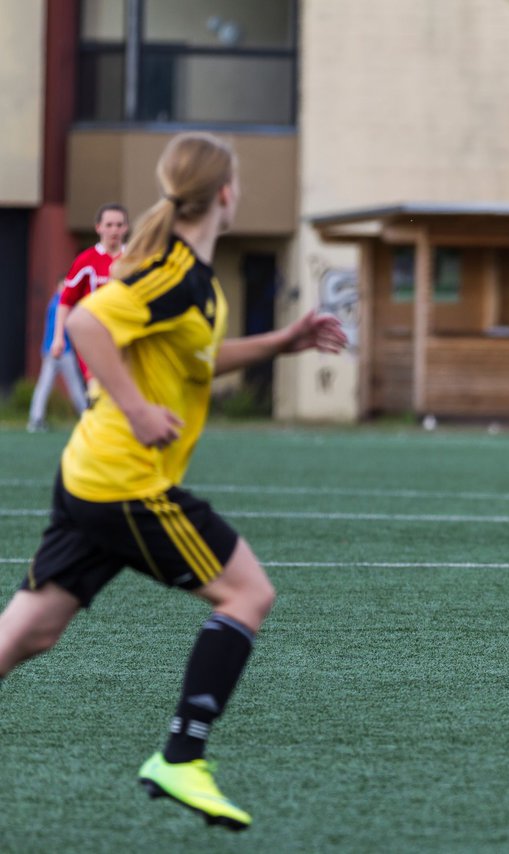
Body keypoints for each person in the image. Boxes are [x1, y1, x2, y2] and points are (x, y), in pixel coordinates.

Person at [0, 132, 347, 831]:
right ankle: (181, 757)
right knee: (249, 591)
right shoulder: (172, 272)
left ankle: (181, 757)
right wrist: (133, 405)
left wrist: (284, 341)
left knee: (30, 632)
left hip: (95, 477)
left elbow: (201, 357)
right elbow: (83, 319)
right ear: (225, 193)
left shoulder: (197, 281)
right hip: (125, 480)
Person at [50, 203, 130, 381]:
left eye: (119, 225)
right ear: (98, 227)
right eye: (109, 225)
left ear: (126, 228)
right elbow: (66, 301)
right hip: (93, 335)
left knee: (125, 392)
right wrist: (58, 337)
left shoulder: (134, 259)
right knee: (98, 388)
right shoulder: (86, 260)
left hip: (125, 334)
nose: (114, 230)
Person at [26, 285, 88, 432]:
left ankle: (36, 418)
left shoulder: (55, 302)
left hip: (52, 350)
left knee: (56, 386)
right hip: (61, 351)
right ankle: (87, 416)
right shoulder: (61, 304)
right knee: (67, 386)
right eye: (63, 286)